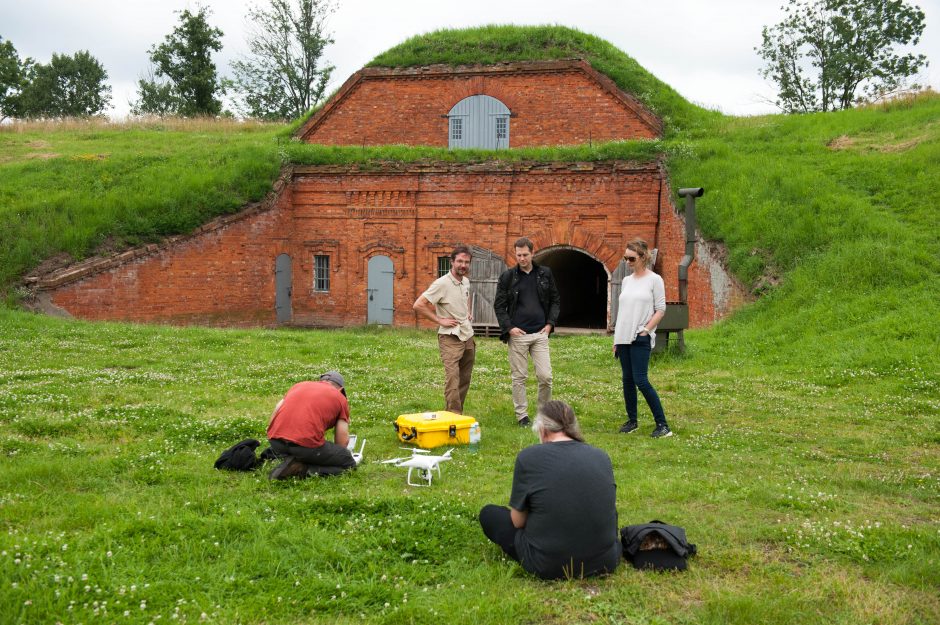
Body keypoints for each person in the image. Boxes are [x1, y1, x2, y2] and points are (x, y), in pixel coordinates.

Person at [478, 400, 621, 580]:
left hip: (548, 564)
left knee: (490, 514)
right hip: (605, 560)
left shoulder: (529, 457)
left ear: (543, 430)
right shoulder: (601, 456)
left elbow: (517, 522)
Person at [493, 237, 561, 426]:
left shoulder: (545, 274)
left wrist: (550, 324)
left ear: (532, 253)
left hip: (540, 334)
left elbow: (555, 300)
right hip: (518, 335)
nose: (522, 258)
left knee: (545, 377)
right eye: (519, 255)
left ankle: (544, 414)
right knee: (519, 377)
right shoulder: (508, 277)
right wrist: (509, 328)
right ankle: (522, 415)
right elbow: (499, 305)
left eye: (525, 255)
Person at [613, 238, 672, 438]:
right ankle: (632, 421)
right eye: (625, 258)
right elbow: (623, 310)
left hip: (640, 336)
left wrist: (646, 330)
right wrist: (616, 340)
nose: (627, 262)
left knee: (641, 380)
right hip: (623, 337)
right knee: (627, 380)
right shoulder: (627, 281)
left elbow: (661, 309)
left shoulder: (655, 280)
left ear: (643, 257)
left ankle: (663, 425)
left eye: (631, 258)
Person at [412, 245, 475, 414]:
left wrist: (467, 313)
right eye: (460, 261)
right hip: (450, 337)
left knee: (465, 378)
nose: (463, 265)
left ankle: (457, 412)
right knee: (453, 379)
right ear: (452, 262)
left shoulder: (466, 282)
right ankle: (453, 416)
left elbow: (466, 298)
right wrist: (439, 319)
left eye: (466, 262)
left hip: (467, 335)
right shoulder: (441, 284)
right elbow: (419, 305)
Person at [266, 371, 356, 479]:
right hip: (304, 445)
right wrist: (336, 453)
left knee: (304, 450)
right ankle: (302, 469)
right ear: (340, 389)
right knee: (348, 462)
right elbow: (342, 441)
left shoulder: (298, 386)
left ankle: (294, 459)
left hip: (276, 442)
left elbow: (276, 411)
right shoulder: (340, 398)